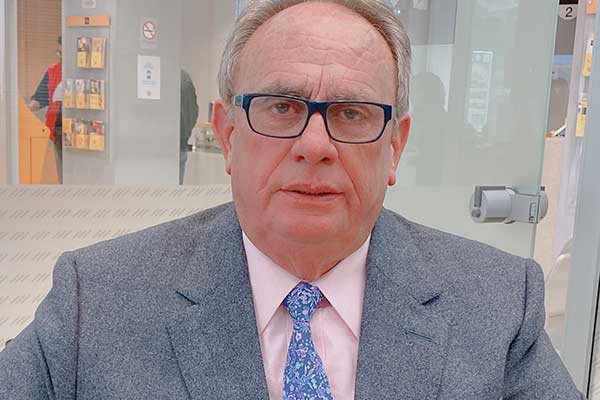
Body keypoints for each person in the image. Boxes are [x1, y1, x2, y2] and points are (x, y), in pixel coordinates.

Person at [0, 1, 584, 399]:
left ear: (395, 147)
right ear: (228, 135)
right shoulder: (97, 299)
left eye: (352, 113)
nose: (315, 145)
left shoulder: (498, 303)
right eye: (281, 107)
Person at [29, 35, 63, 183]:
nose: (60, 57)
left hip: (80, 125)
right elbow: (39, 98)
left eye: (63, 53)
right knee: (62, 168)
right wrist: (30, 105)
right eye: (59, 53)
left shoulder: (83, 69)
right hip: (58, 129)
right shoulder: (52, 70)